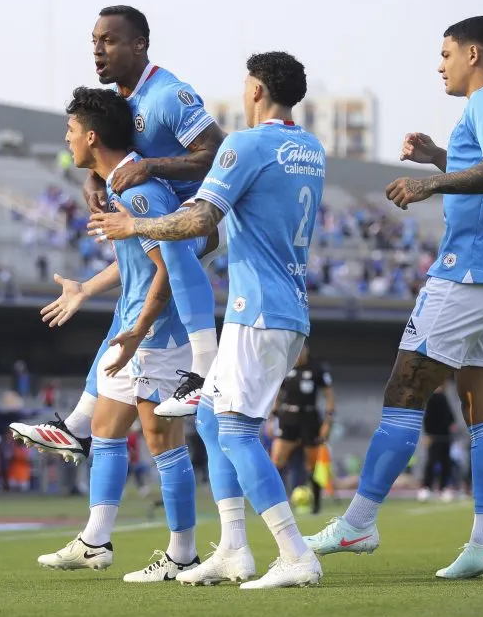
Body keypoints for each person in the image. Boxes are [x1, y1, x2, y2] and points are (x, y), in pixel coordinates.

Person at [302, 15, 483, 580]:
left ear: (474, 53)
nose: (440, 64)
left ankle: (359, 522)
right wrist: (439, 156)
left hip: (467, 275)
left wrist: (431, 183)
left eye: (446, 53)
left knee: (404, 389)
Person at [89, 51, 325, 589]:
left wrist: (133, 227)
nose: (243, 92)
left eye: (246, 84)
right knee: (213, 422)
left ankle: (295, 553)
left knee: (237, 431)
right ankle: (234, 550)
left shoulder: (245, 144)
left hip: (256, 309)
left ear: (258, 90)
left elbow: (202, 217)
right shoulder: (311, 148)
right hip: (287, 304)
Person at [8, 5, 227, 461]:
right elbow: (111, 150)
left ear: (139, 44)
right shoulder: (121, 104)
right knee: (128, 331)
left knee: (160, 427)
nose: (97, 50)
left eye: (107, 40)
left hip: (194, 223)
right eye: (93, 41)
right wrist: (94, 180)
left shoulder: (168, 95)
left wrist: (149, 166)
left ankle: (204, 372)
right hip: (155, 222)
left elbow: (219, 153)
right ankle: (76, 429)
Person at [35, 86, 199, 583]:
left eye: (69, 131)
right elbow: (135, 264)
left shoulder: (137, 191)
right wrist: (86, 288)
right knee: (105, 431)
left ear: (90, 136)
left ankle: (183, 554)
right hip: (133, 332)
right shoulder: (120, 186)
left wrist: (141, 328)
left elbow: (170, 266)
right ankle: (94, 542)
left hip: (157, 337)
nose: (66, 139)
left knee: (162, 441)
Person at [271, 342, 335, 514]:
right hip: (288, 418)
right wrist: (272, 418)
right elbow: (277, 393)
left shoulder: (317, 369)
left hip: (310, 419)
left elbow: (328, 395)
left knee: (312, 464)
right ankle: (276, 502)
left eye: (301, 351)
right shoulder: (285, 368)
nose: (298, 355)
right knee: (276, 460)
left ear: (307, 350)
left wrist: (328, 422)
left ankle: (316, 504)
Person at [418, 384, 457, 502]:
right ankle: (426, 488)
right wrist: (426, 435)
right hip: (433, 437)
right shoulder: (431, 398)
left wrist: (452, 427)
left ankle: (444, 488)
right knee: (431, 462)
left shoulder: (444, 397)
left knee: (446, 463)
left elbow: (450, 418)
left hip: (445, 437)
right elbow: (427, 418)